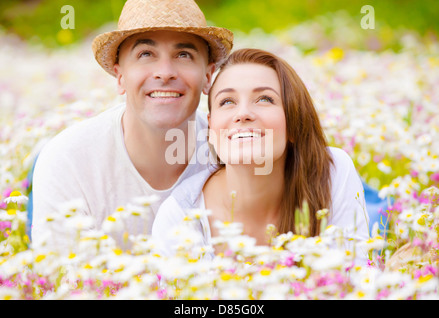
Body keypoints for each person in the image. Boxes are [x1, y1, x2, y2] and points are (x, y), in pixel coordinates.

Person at [30, 0, 233, 251]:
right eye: (145, 54)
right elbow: (62, 281)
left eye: (184, 55)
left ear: (207, 77)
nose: (165, 72)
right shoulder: (67, 160)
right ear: (120, 77)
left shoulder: (231, 151)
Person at [152, 48, 370, 262]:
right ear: (211, 128)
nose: (243, 114)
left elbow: (356, 282)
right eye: (227, 101)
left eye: (265, 99)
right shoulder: (180, 219)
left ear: (294, 122)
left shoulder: (332, 172)